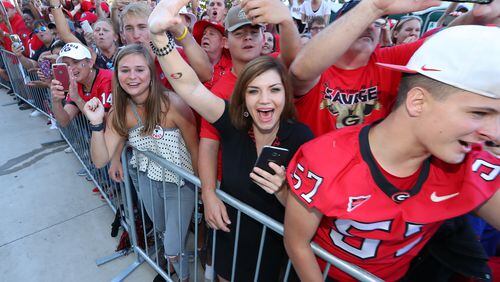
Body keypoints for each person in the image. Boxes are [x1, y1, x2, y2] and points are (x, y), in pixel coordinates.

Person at [284, 24, 499, 281]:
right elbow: (297, 243)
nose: (494, 133)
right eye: (479, 113)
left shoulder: (471, 165)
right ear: (417, 101)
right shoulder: (324, 160)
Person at [148, 2, 313, 281]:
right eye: (254, 91)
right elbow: (189, 86)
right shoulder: (232, 125)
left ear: (286, 94)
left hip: (277, 251)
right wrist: (159, 36)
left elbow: (311, 220)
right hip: (231, 238)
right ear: (243, 99)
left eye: (274, 89)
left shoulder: (301, 138)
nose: (264, 99)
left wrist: (285, 193)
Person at [82, 44, 199, 282]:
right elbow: (99, 159)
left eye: (139, 69)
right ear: (116, 75)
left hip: (179, 184)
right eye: (125, 70)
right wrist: (96, 125)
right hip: (145, 178)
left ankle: (182, 277)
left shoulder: (172, 104)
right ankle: (173, 270)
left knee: (173, 246)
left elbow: (195, 149)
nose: (132, 77)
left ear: (151, 72)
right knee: (163, 230)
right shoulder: (119, 111)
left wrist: (204, 192)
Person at [290, 0, 432, 137]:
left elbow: (445, 40)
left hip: (370, 159)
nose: (370, 27)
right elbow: (299, 73)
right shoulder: (318, 65)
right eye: (361, 22)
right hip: (317, 158)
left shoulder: (388, 58)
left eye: (377, 22)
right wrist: (373, 6)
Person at [50, 42, 113, 127]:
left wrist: (77, 98)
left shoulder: (107, 79)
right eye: (67, 65)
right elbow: (64, 121)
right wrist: (56, 101)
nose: (71, 68)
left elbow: (105, 123)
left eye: (76, 62)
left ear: (90, 63)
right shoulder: (76, 83)